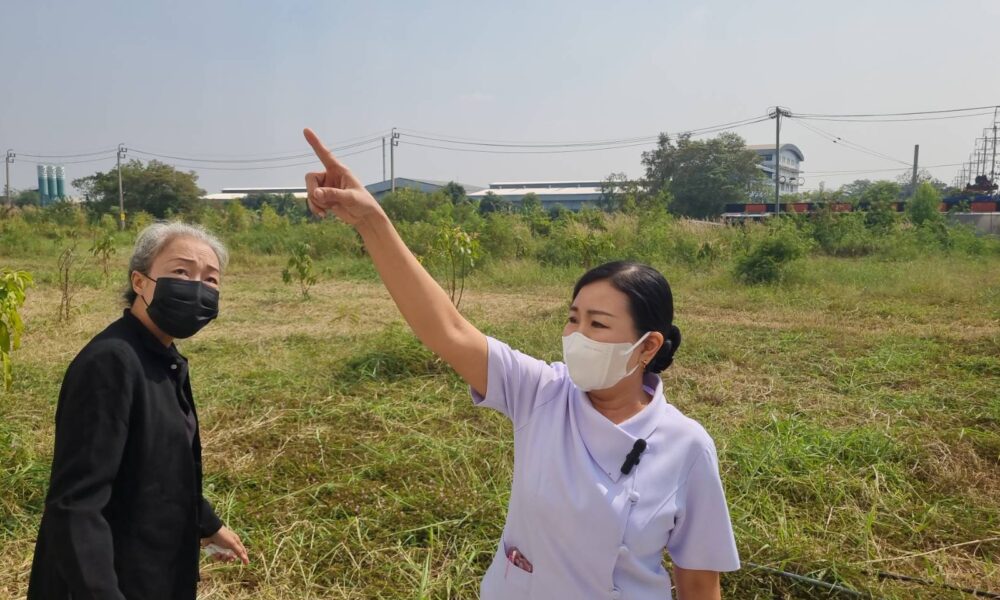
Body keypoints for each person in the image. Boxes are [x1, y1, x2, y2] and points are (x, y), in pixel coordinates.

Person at [302, 129, 739, 599]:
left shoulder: (686, 446)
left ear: (647, 346)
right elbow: (446, 329)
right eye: (573, 318)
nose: (577, 336)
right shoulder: (542, 393)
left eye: (597, 324)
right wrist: (373, 222)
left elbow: (699, 581)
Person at [28, 223, 249, 600]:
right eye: (181, 272)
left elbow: (161, 467)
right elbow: (76, 505)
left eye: (211, 279)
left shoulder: (162, 359)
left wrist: (207, 523)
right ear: (140, 281)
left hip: (152, 569)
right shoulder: (111, 363)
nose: (197, 287)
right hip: (108, 579)